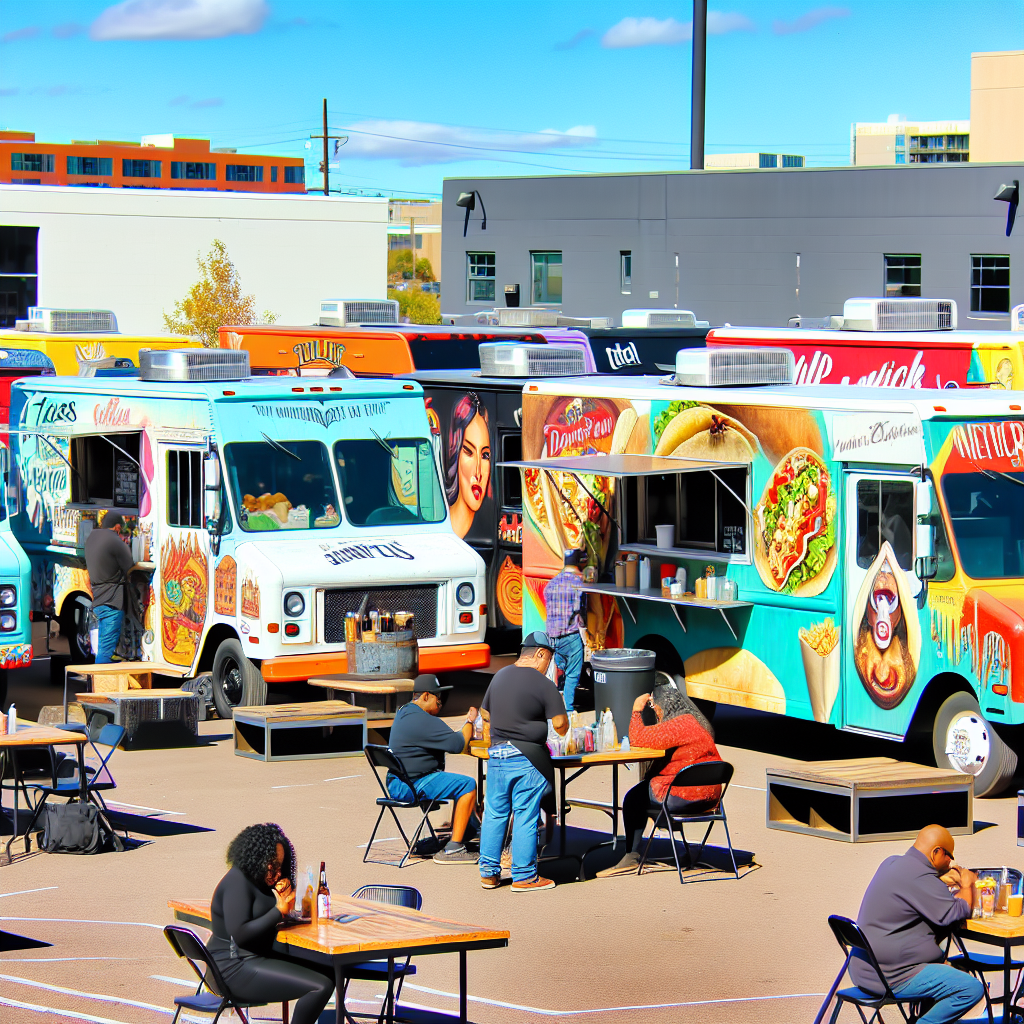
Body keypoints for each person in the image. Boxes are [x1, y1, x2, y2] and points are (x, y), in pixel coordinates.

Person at [849, 824, 981, 1024]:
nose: (950, 861)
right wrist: (967, 883)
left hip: (862, 970)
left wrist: (939, 878)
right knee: (970, 988)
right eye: (948, 855)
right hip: (892, 977)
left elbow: (915, 883)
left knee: (945, 965)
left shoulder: (890, 862)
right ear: (936, 852)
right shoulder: (921, 877)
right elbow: (958, 911)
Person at [208, 823, 334, 1024]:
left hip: (255, 956)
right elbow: (239, 935)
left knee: (328, 970)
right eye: (273, 866)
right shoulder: (237, 882)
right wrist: (279, 911)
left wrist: (284, 903)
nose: (276, 873)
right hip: (232, 968)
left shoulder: (258, 880)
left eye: (281, 867)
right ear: (256, 858)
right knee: (321, 985)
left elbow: (262, 919)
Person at [598, 682, 723, 876]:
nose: (656, 715)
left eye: (656, 710)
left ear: (664, 707)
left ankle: (631, 855)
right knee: (654, 785)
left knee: (634, 798)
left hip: (685, 797)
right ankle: (676, 844)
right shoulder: (695, 723)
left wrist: (636, 710)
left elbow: (639, 738)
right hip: (711, 797)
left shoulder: (678, 725)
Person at [478, 631, 569, 892]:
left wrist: (491, 740)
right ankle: (525, 876)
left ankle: (488, 873)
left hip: (497, 756)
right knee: (525, 815)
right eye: (548, 660)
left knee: (495, 813)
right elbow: (561, 725)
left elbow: (485, 714)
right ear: (540, 654)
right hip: (526, 757)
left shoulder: (499, 676)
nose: (547, 666)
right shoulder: (542, 683)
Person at [386, 673, 480, 864]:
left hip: (398, 781)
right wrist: (470, 721)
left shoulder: (405, 712)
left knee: (455, 783)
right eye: (438, 697)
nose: (440, 702)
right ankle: (454, 848)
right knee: (467, 785)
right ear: (426, 696)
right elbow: (457, 744)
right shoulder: (422, 720)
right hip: (410, 785)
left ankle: (466, 830)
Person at [84, 511, 134, 663]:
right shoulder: (115, 541)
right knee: (105, 651)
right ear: (117, 526)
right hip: (112, 601)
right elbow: (130, 566)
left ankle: (99, 682)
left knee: (102, 647)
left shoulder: (91, 538)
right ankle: (101, 685)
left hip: (98, 600)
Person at [543, 549, 587, 713]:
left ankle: (553, 707)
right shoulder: (577, 584)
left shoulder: (551, 584)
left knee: (558, 671)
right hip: (571, 636)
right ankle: (567, 710)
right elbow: (579, 610)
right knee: (572, 675)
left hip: (553, 636)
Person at [445, 392, 491, 539]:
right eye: (469, 452)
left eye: (485, 456)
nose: (478, 471)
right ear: (455, 452)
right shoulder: (442, 533)